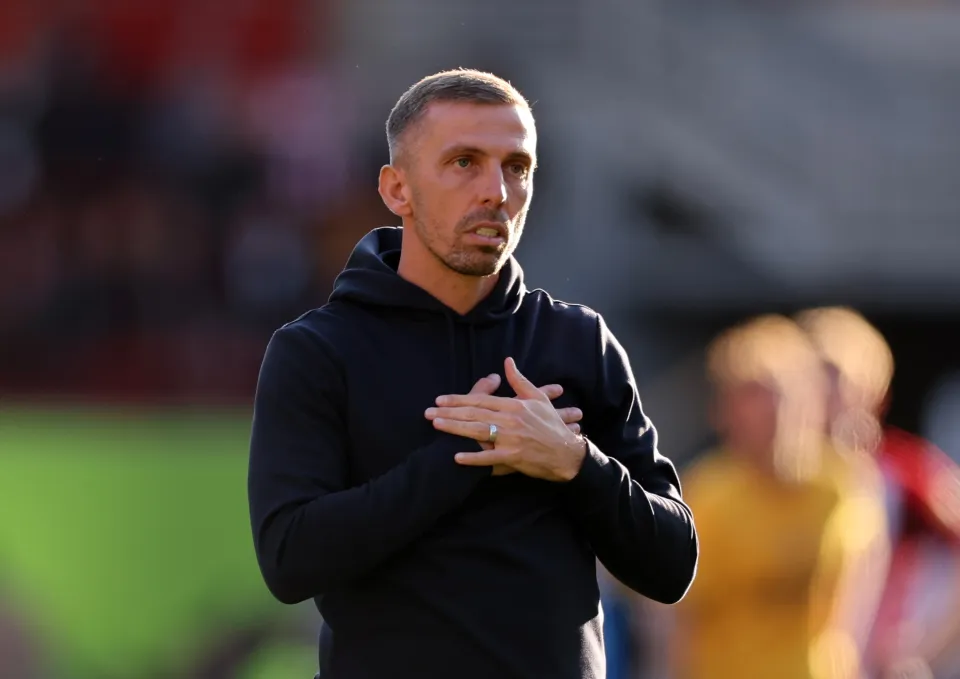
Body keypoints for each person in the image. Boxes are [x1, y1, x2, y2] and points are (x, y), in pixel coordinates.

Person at [247, 68, 698, 679]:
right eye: (464, 163)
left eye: (517, 167)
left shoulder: (579, 340)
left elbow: (673, 567)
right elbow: (288, 560)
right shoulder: (318, 350)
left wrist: (573, 462)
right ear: (397, 189)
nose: (497, 191)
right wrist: (459, 457)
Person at [670, 314, 887, 679]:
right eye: (755, 395)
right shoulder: (707, 495)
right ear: (726, 411)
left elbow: (859, 583)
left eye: (783, 393)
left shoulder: (840, 485)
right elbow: (676, 620)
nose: (773, 411)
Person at [797, 306, 960, 679]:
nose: (819, 392)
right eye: (806, 376)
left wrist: (922, 649)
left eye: (833, 376)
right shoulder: (764, 481)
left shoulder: (905, 470)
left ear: (874, 391)